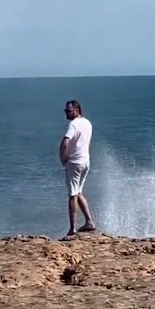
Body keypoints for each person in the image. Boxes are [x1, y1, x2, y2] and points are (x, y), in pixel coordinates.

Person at [59, 99, 97, 236]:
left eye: (68, 111)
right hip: (85, 161)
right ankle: (89, 222)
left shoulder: (73, 125)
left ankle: (72, 228)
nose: (66, 113)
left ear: (76, 110)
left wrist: (62, 158)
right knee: (78, 191)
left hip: (74, 163)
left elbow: (64, 143)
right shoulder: (87, 123)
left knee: (72, 195)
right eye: (65, 111)